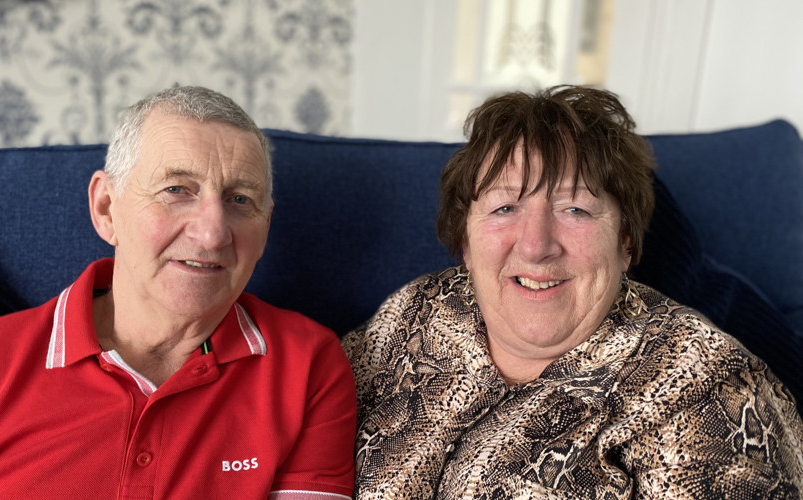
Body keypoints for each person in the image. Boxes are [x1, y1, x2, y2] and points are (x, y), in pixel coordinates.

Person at [342, 85, 803, 499]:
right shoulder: (411, 316)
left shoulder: (703, 389)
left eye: (576, 209)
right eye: (505, 207)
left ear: (625, 242)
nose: (536, 245)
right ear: (464, 240)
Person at [0, 86, 356, 499]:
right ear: (106, 209)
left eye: (240, 200)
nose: (213, 233)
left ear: (266, 225)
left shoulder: (307, 365)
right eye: (177, 189)